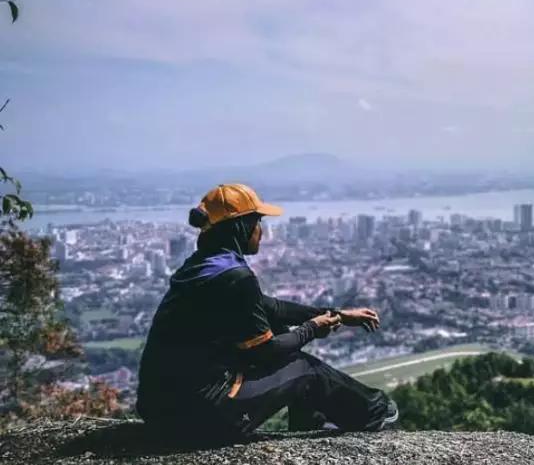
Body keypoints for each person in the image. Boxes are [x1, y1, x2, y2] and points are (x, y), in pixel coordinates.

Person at [136, 183, 397, 439]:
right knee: (306, 369)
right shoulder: (236, 277)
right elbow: (265, 351)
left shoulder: (202, 267)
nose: (261, 230)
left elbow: (272, 307)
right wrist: (312, 329)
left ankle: (311, 425)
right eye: (257, 222)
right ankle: (376, 411)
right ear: (241, 227)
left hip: (160, 412)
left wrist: (338, 314)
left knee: (279, 329)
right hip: (202, 418)